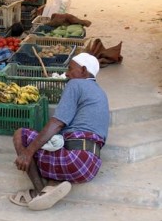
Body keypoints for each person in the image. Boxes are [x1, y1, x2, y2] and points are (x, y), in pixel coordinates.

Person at [9, 52, 110, 211]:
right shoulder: (101, 93)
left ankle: (38, 191)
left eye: (70, 69)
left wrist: (28, 153)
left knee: (20, 135)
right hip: (90, 166)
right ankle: (52, 184)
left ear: (83, 71)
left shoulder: (76, 84)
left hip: (75, 160)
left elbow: (57, 123)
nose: (67, 74)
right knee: (51, 144)